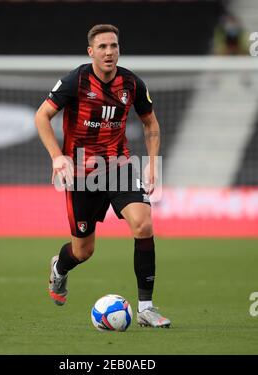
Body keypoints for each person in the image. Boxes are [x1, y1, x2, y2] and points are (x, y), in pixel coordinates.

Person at [35, 24, 170, 328]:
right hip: (82, 174)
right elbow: (41, 116)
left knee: (144, 224)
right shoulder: (76, 80)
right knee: (83, 251)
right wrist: (57, 157)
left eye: (114, 46)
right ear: (91, 52)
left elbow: (151, 124)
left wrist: (152, 164)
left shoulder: (132, 83)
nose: (109, 52)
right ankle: (60, 267)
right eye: (103, 47)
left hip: (119, 167)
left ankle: (146, 309)